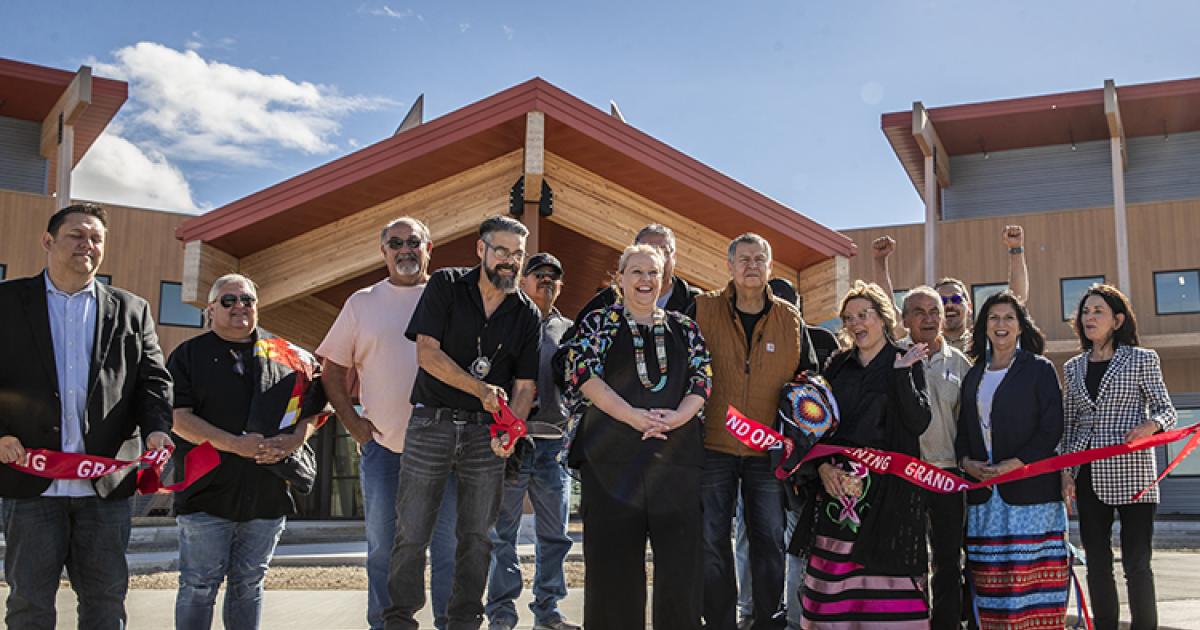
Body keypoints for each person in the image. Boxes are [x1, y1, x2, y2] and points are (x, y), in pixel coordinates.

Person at [0, 203, 174, 629]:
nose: (88, 245)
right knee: (29, 603)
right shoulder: (6, 301)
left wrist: (156, 429)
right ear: (48, 241)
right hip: (30, 481)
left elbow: (153, 380)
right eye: (77, 235)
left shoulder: (131, 309)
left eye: (96, 238)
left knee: (105, 602)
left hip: (105, 487)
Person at [385, 215, 542, 630]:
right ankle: (399, 620)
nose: (510, 261)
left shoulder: (527, 313)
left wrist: (512, 431)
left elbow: (525, 386)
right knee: (412, 533)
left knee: (476, 538)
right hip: (430, 425)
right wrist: (482, 390)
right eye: (502, 251)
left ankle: (464, 621)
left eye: (518, 255)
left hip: (484, 437)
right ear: (482, 250)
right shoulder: (446, 285)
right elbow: (427, 354)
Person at [559, 244, 712, 630]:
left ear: (664, 280)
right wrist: (632, 416)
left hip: (676, 461)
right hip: (612, 463)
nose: (645, 280)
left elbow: (703, 378)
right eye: (636, 272)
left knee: (680, 567)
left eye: (653, 273)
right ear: (620, 278)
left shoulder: (685, 326)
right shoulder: (599, 322)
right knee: (613, 567)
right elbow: (583, 375)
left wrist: (677, 417)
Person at [316, 217, 457, 630]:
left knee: (450, 548)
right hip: (385, 452)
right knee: (384, 551)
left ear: (429, 247)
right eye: (396, 243)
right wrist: (354, 426)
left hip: (449, 451)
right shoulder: (362, 303)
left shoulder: (451, 297)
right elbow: (331, 371)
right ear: (384, 252)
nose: (405, 249)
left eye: (414, 241)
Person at [168, 274, 327, 629]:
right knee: (198, 585)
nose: (239, 306)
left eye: (247, 300)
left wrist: (295, 440)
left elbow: (316, 409)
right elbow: (177, 418)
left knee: (249, 585)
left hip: (267, 495)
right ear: (210, 310)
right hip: (205, 494)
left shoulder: (286, 353)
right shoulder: (187, 355)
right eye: (228, 300)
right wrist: (234, 445)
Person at [801, 281, 931, 629]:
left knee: (884, 573)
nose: (856, 323)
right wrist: (823, 468)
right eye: (848, 318)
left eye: (864, 315)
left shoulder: (905, 359)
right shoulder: (837, 366)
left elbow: (919, 422)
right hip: (837, 487)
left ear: (882, 318)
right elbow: (817, 425)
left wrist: (902, 376)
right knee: (836, 578)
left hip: (887, 491)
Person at [693, 233, 804, 630]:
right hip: (713, 447)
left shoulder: (790, 318)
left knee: (769, 541)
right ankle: (721, 621)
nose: (752, 265)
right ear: (730, 266)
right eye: (744, 259)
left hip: (766, 453)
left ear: (770, 267)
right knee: (712, 541)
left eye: (760, 259)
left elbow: (805, 381)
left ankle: (767, 621)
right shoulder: (702, 308)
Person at [1060, 284, 1176, 630]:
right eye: (1085, 312)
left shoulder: (1142, 358)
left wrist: (1150, 426)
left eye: (1098, 311)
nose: (1089, 317)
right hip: (1088, 476)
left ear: (1118, 319)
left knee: (1137, 563)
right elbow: (1069, 424)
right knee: (1096, 563)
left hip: (1133, 476)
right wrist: (1065, 472)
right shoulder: (1072, 367)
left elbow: (1166, 409)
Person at [956, 291, 1067, 629]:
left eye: (1008, 318)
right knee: (991, 583)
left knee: (1031, 585)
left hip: (1030, 496)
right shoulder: (974, 374)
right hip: (985, 495)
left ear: (1020, 327)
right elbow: (962, 428)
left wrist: (1018, 462)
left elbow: (1053, 427)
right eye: (993, 318)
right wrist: (965, 463)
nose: (1000, 324)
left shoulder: (1038, 368)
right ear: (984, 327)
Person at [485, 252, 579, 630]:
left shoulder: (571, 330)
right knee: (502, 534)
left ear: (561, 286)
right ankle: (502, 614)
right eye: (537, 275)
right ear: (523, 281)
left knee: (554, 535)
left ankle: (548, 612)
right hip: (510, 443)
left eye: (553, 277)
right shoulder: (504, 322)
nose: (545, 281)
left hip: (553, 445)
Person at [897, 286, 972, 630]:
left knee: (947, 561)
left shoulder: (960, 363)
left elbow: (971, 423)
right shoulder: (894, 357)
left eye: (934, 312)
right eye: (918, 312)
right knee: (908, 562)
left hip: (947, 477)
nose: (928, 319)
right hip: (904, 476)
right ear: (904, 318)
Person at [871, 225, 1029, 352]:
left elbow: (1016, 300)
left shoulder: (984, 342)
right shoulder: (919, 343)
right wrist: (880, 261)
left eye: (956, 299)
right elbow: (888, 310)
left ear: (969, 307)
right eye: (942, 301)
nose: (949, 305)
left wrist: (1016, 250)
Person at [571, 223, 701, 321]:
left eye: (664, 252)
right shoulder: (608, 300)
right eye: (647, 250)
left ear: (675, 258)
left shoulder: (694, 303)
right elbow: (571, 345)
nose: (656, 259)